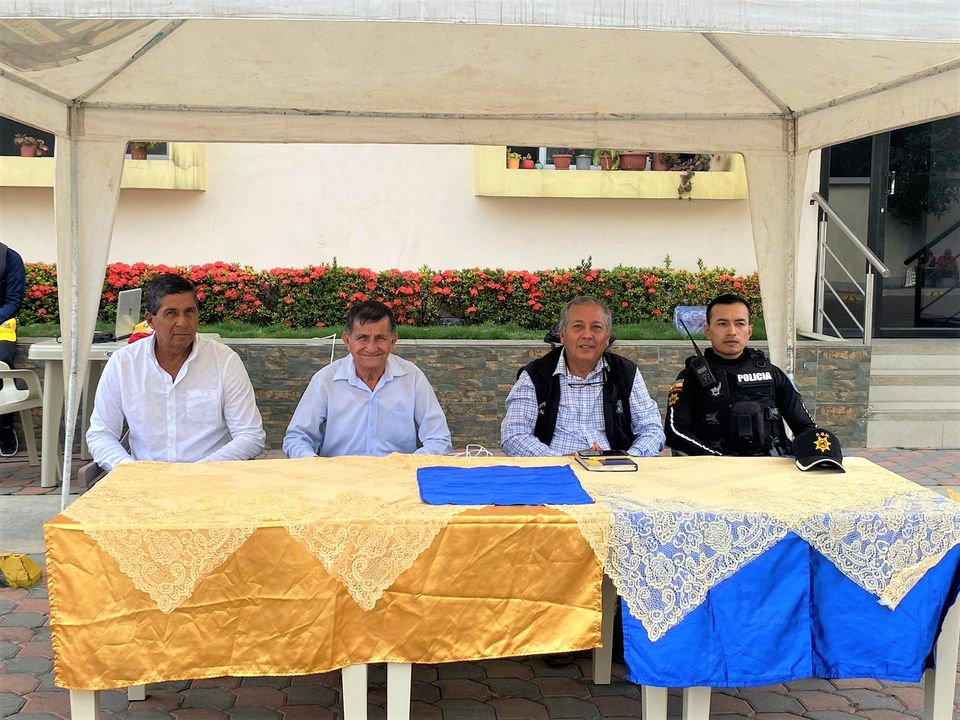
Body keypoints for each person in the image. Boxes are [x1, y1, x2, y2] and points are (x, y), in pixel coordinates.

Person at [87, 274, 265, 470]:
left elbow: (250, 435)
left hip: (210, 477)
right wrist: (131, 470)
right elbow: (101, 434)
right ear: (150, 320)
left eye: (189, 312)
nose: (182, 322)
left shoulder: (224, 361)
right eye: (171, 313)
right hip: (144, 479)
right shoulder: (124, 363)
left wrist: (194, 473)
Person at [283, 300, 452, 457]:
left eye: (380, 338)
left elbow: (439, 439)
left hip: (397, 475)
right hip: (338, 476)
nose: (371, 348)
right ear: (347, 341)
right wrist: (318, 466)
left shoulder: (412, 377)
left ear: (393, 341)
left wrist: (406, 466)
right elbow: (297, 438)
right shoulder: (325, 380)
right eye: (362, 338)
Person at [501, 295, 665, 457]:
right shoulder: (535, 375)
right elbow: (514, 435)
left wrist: (628, 458)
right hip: (555, 468)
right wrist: (559, 460)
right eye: (578, 326)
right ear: (562, 335)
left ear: (607, 337)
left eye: (596, 327)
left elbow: (652, 429)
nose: (587, 335)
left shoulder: (626, 372)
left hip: (614, 467)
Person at [664, 293, 815, 456]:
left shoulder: (772, 373)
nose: (732, 332)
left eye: (740, 323)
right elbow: (674, 431)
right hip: (714, 467)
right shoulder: (690, 377)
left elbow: (805, 427)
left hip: (772, 465)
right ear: (707, 331)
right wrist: (716, 459)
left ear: (749, 330)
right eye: (722, 324)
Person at [0, 242, 25, 457]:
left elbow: (13, 301)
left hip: (2, 325)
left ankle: (5, 429)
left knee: (2, 366)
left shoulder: (9, 258)